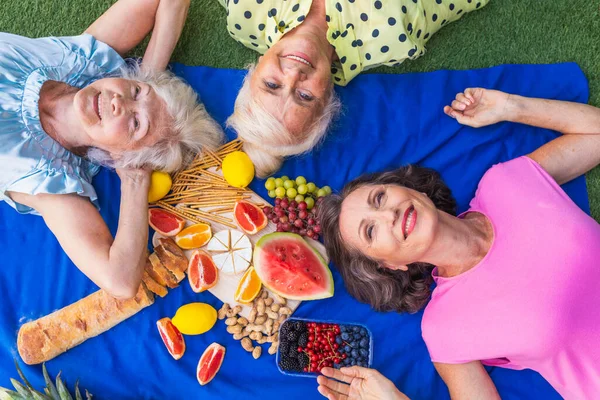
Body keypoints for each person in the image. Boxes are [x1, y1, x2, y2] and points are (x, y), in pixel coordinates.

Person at [317, 87, 600, 399]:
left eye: (380, 197)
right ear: (389, 266)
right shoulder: (444, 327)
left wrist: (511, 106)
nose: (389, 215)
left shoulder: (504, 183)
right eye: (371, 231)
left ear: (412, 190)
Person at [0, 0, 223, 299]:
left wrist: (134, 180)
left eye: (135, 124)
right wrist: (147, 81)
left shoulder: (48, 180)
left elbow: (121, 281)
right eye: (134, 92)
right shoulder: (84, 62)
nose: (119, 100)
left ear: (121, 157)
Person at [220, 0, 489, 177]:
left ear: (253, 71)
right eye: (304, 96)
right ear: (328, 96)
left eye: (271, 85)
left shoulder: (245, 17)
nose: (293, 76)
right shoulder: (394, 34)